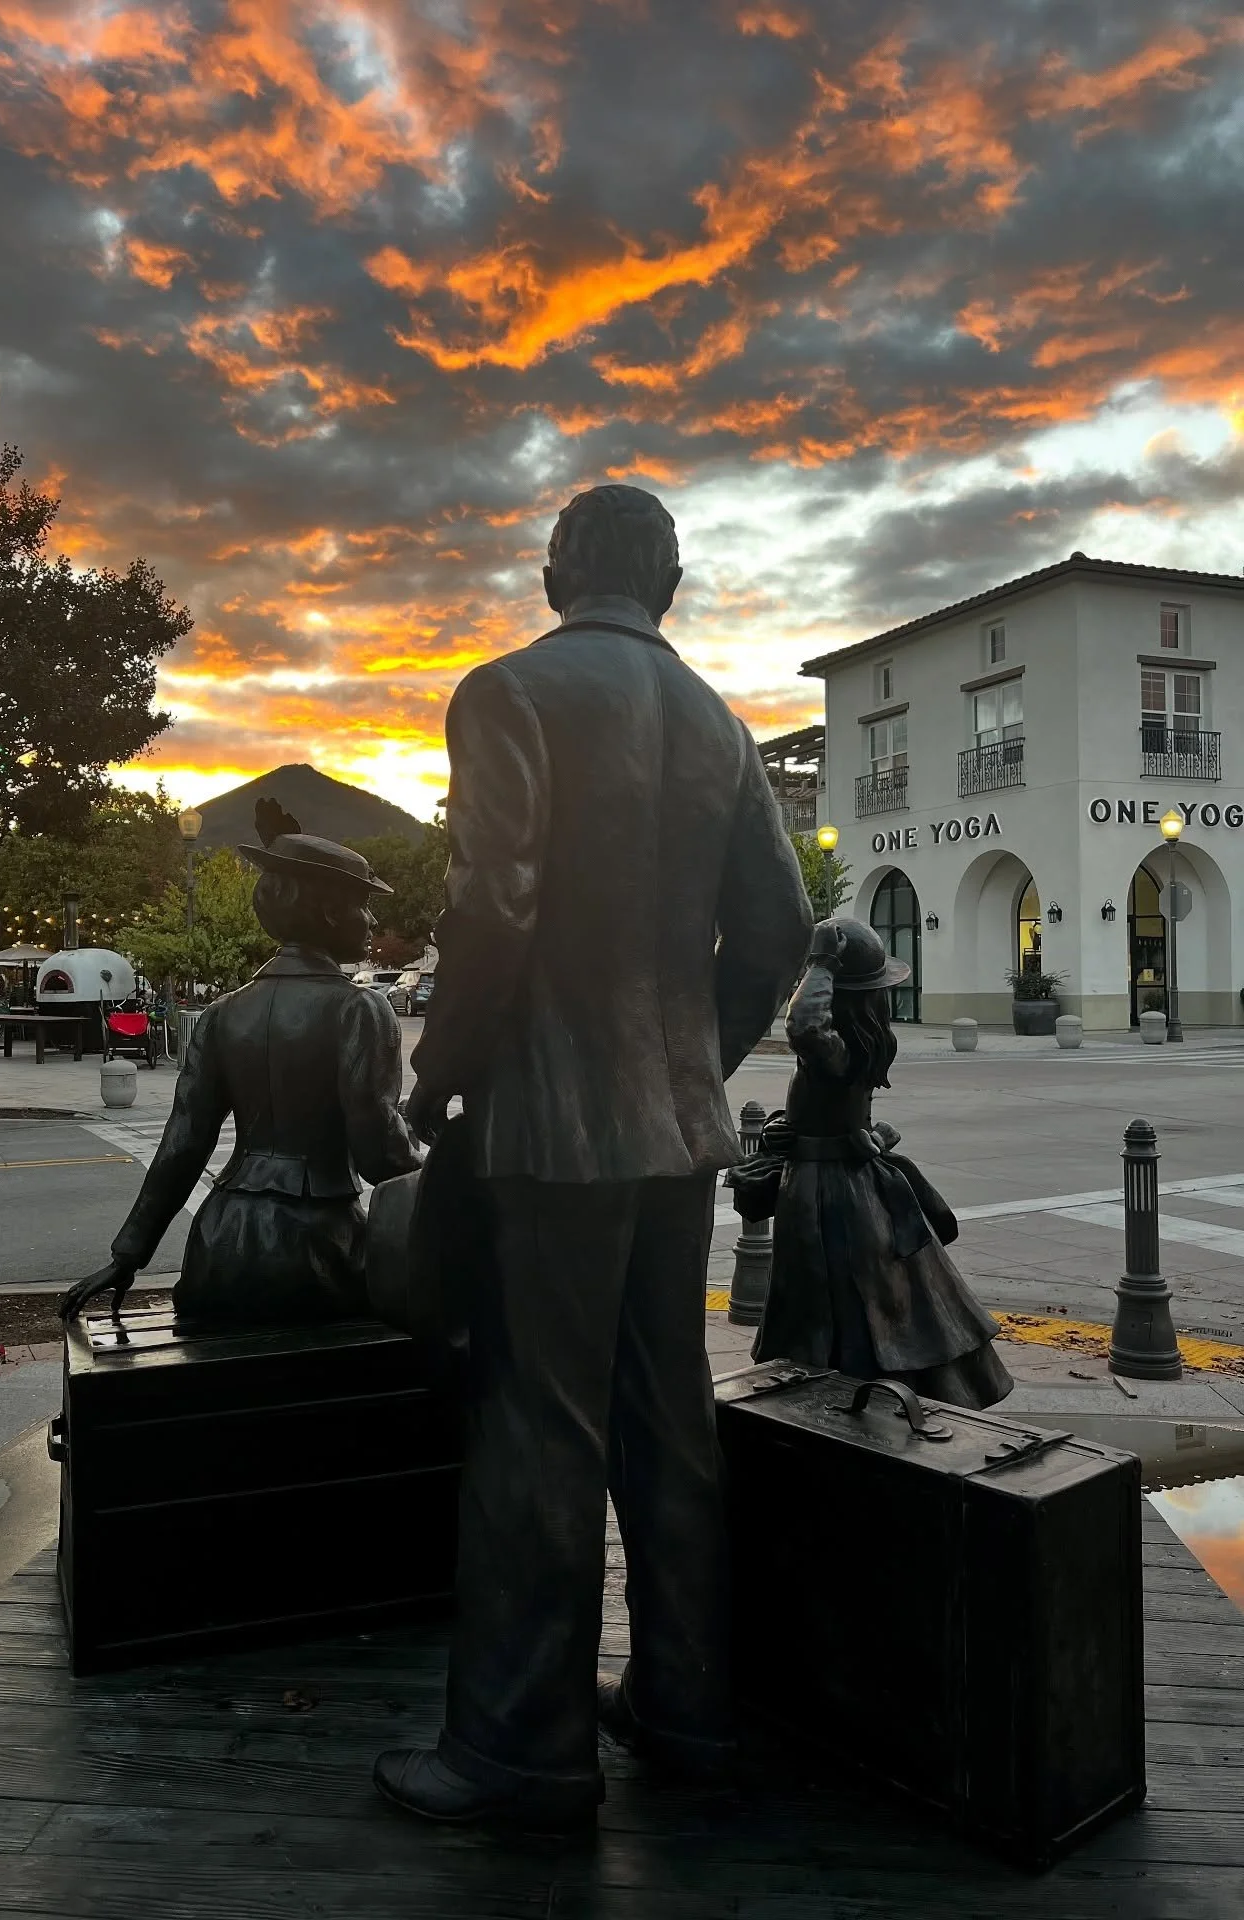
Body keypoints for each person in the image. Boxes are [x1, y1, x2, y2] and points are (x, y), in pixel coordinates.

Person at [373, 484, 814, 1829]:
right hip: (673, 1132)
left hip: (548, 1132)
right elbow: (783, 927)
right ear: (669, 581)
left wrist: (439, 1074)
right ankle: (686, 1708)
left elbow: (493, 902)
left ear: (558, 570)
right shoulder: (722, 726)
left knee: (536, 1429)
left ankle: (520, 1746)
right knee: (666, 1421)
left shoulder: (508, 693)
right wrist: (691, 1062)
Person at [60, 805, 420, 1330]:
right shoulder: (360, 1009)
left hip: (220, 1242)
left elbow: (183, 1143)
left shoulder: (221, 1015)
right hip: (318, 1248)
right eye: (363, 906)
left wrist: (128, 1255)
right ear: (326, 912)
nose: (371, 921)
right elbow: (377, 1152)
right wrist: (436, 1168)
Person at [735, 918, 1012, 1408]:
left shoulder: (838, 1049)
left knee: (836, 1301)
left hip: (826, 1191)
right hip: (844, 1178)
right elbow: (831, 1110)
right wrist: (789, 1127)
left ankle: (836, 1395)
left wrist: (820, 962)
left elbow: (803, 1025)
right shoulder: (862, 1040)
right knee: (871, 1297)